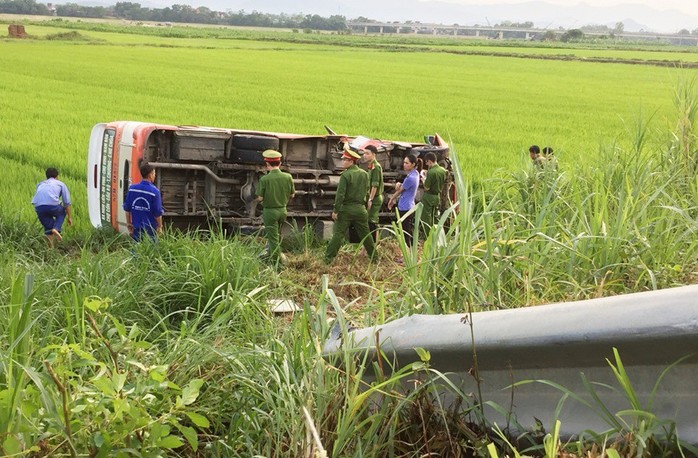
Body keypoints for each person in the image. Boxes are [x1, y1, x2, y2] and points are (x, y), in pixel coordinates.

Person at [324, 147, 377, 264]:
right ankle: (374, 257)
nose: (342, 162)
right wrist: (366, 204)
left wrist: (336, 210)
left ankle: (328, 258)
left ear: (352, 161)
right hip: (360, 209)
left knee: (338, 235)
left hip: (346, 209)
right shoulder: (364, 174)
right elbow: (367, 191)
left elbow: (340, 195)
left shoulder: (345, 175)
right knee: (366, 235)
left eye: (345, 160)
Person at [256, 149, 295, 266]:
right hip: (283, 210)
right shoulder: (288, 177)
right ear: (280, 164)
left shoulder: (264, 179)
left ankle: (277, 265)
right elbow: (292, 194)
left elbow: (259, 198)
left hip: (270, 212)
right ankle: (270, 256)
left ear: (267, 164)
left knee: (273, 239)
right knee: (276, 235)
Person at [32, 167, 72, 245]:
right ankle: (56, 228)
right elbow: (67, 202)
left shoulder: (40, 184)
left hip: (38, 207)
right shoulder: (60, 184)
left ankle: (50, 250)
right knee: (62, 212)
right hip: (52, 205)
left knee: (48, 227)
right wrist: (69, 217)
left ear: (46, 176)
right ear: (57, 176)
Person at [123, 163, 164, 242]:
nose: (154, 176)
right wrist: (160, 226)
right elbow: (157, 213)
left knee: (136, 250)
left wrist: (128, 223)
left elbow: (127, 209)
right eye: (154, 173)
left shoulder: (132, 189)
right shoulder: (155, 192)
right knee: (151, 252)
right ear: (150, 175)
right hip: (150, 230)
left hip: (136, 227)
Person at [388, 154, 422, 247]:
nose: (404, 165)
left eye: (407, 163)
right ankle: (410, 251)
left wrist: (391, 199)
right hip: (409, 206)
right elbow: (403, 186)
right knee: (407, 230)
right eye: (404, 162)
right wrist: (400, 183)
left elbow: (399, 190)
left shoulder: (410, 178)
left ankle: (407, 253)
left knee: (404, 232)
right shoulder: (415, 174)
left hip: (405, 207)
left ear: (413, 164)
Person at [421, 152, 447, 232]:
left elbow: (426, 187)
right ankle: (437, 234)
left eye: (427, 162)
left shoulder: (431, 172)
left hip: (428, 196)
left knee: (426, 216)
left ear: (429, 161)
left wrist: (423, 179)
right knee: (435, 216)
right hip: (437, 196)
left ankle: (427, 235)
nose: (427, 164)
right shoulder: (443, 170)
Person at [363, 145, 384, 243]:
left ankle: (373, 244)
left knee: (372, 221)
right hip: (371, 197)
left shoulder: (376, 167)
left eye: (367, 153)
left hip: (374, 198)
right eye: (364, 153)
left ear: (374, 154)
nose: (364, 156)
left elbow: (375, 185)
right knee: (369, 221)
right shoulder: (370, 166)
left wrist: (370, 199)